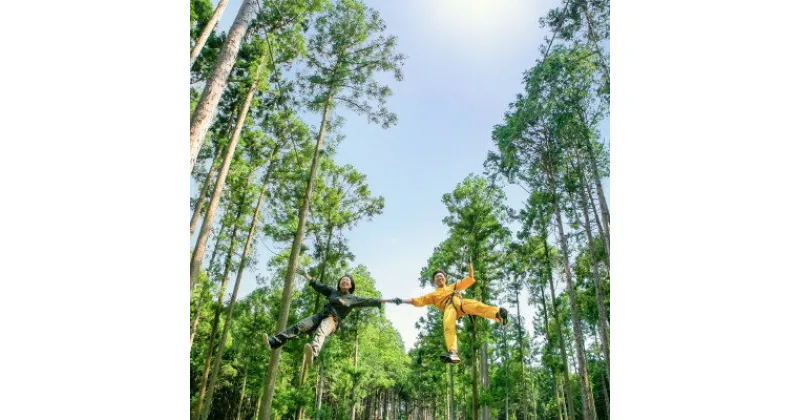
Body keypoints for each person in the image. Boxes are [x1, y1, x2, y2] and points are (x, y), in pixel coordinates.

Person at [263, 269, 401, 366]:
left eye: (347, 281)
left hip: (332, 320)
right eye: (342, 280)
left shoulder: (353, 299)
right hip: (321, 315)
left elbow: (371, 300)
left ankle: (314, 354)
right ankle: (274, 342)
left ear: (351, 285)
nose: (344, 281)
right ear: (339, 283)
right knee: (299, 326)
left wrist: (392, 300)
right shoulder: (332, 293)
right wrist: (306, 275)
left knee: (322, 330)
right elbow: (319, 286)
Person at [397, 261, 508, 364]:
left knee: (477, 306)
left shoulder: (453, 287)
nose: (439, 277)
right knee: (448, 327)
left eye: (441, 276)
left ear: (445, 279)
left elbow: (469, 278)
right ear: (434, 281)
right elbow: (417, 301)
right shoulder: (433, 295)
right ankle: (452, 352)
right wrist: (401, 300)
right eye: (437, 276)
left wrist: (469, 264)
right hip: (449, 308)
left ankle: (498, 315)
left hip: (460, 303)